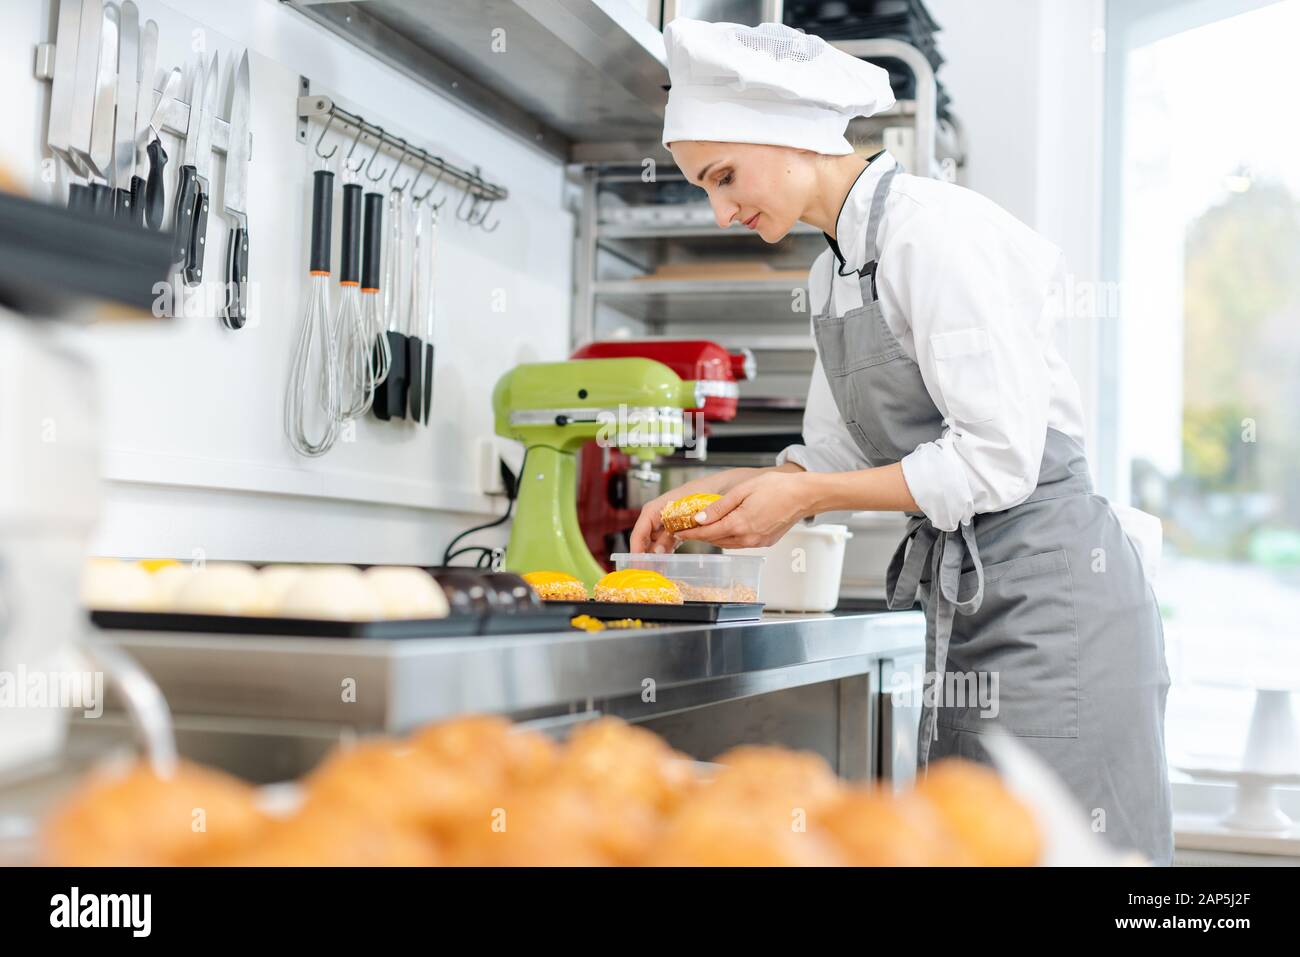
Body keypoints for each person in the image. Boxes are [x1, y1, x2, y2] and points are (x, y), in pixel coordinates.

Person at [630, 18, 1173, 864]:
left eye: (723, 175)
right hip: (963, 606)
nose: (721, 208)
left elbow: (999, 457)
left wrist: (805, 497)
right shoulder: (832, 271)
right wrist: (719, 501)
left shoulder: (933, 231)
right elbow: (831, 456)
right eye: (705, 185)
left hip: (1051, 597)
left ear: (790, 133)